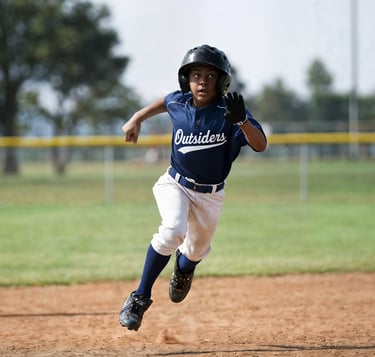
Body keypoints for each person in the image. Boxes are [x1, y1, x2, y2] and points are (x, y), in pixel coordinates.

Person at [119, 44, 267, 331]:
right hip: (174, 184)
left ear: (222, 81)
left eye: (210, 76)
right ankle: (139, 298)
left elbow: (260, 145)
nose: (202, 81)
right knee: (172, 230)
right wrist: (136, 118)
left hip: (211, 195)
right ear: (186, 79)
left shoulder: (230, 113)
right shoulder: (180, 102)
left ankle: (184, 268)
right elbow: (164, 102)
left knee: (196, 251)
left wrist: (243, 121)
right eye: (195, 74)